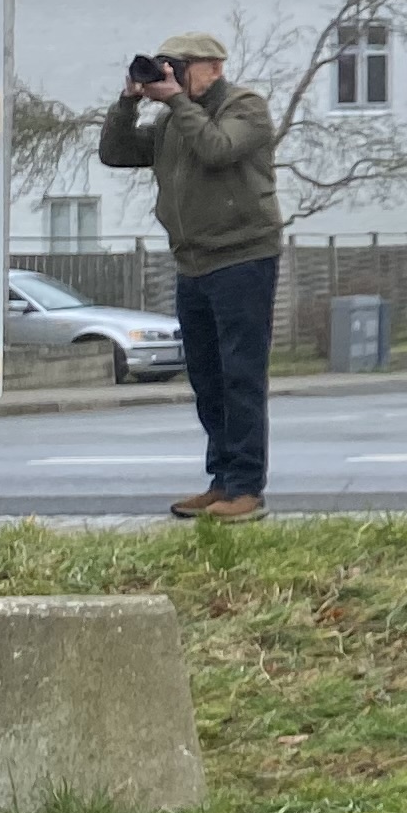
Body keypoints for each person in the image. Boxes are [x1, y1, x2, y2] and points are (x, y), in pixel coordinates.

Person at [95, 31, 282, 520]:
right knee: (207, 378)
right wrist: (128, 101)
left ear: (213, 67)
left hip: (242, 257)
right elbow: (115, 153)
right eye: (165, 65)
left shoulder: (246, 107)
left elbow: (218, 149)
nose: (171, 74)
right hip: (193, 261)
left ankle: (247, 488)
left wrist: (176, 101)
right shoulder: (172, 122)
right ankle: (221, 482)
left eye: (180, 65)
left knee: (241, 376)